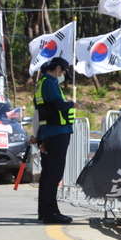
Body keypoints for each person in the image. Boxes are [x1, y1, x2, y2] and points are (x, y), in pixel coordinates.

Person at [32, 57, 75, 224]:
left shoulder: (40, 84)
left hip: (47, 132)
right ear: (58, 68)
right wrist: (72, 103)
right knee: (54, 174)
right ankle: (51, 213)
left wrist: (37, 135)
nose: (62, 75)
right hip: (57, 133)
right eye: (63, 72)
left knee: (48, 174)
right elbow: (60, 106)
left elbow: (38, 113)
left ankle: (44, 211)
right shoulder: (50, 83)